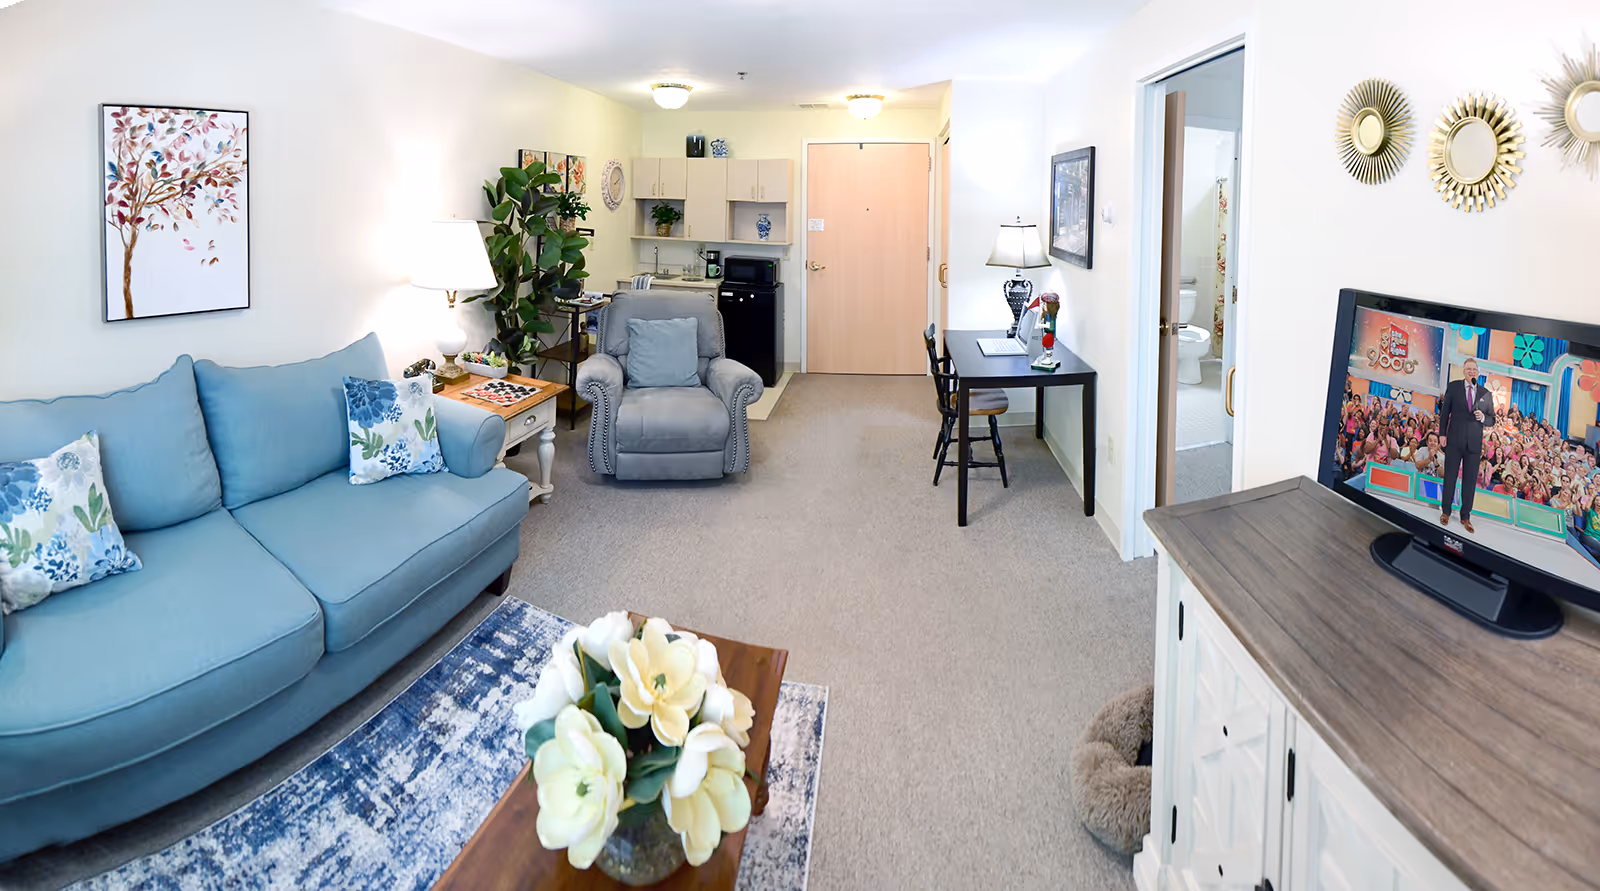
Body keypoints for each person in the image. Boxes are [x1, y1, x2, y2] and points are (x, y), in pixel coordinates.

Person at [1439, 358, 1496, 532]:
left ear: (1478, 372)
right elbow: (1445, 412)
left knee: (1470, 481)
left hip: (1474, 444)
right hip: (1454, 439)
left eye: (1475, 369)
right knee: (1450, 476)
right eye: (1469, 369)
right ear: (1464, 371)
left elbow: (1492, 419)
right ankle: (1446, 511)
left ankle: (1466, 516)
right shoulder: (1454, 387)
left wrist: (1483, 418)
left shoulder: (1485, 394)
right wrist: (1442, 434)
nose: (1472, 372)